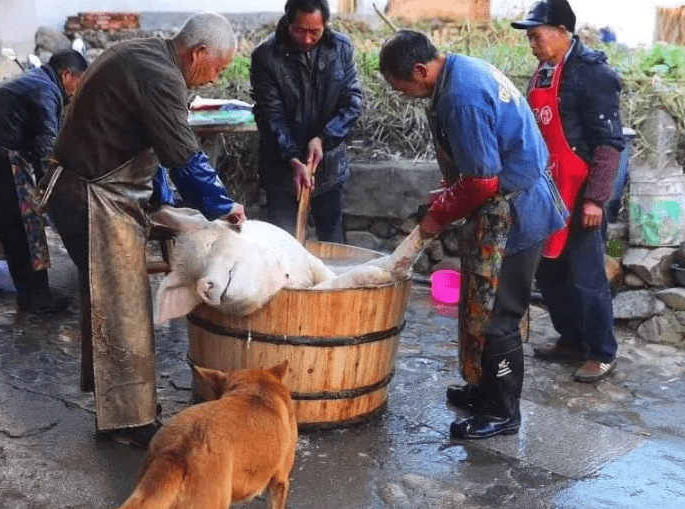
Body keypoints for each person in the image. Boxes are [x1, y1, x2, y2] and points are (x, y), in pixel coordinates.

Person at [44, 12, 247, 448]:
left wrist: (162, 204)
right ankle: (128, 421)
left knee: (112, 299)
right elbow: (182, 155)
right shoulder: (161, 75)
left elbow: (147, 140)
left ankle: (114, 402)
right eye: (218, 69)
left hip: (91, 187)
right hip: (92, 195)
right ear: (197, 54)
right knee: (122, 305)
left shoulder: (146, 56)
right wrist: (221, 204)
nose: (215, 79)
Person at [379, 30, 566, 439]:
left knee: (499, 316)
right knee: (477, 306)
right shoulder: (460, 69)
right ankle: (483, 390)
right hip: (506, 201)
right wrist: (448, 194)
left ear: (419, 69)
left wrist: (435, 220)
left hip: (516, 213)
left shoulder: (460, 97)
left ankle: (502, 412)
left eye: (402, 87)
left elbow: (481, 182)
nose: (403, 95)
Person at [512, 0, 624, 383]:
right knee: (550, 271)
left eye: (536, 35)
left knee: (587, 275)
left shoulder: (594, 74)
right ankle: (571, 339)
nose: (532, 44)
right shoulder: (543, 70)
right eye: (529, 38)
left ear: (562, 31)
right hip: (548, 189)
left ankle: (602, 352)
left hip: (580, 192)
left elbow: (609, 145)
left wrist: (596, 199)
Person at [0, 50, 88, 314]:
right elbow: (46, 151)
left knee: (13, 233)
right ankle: (39, 299)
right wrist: (62, 196)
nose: (79, 91)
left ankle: (30, 296)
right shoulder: (46, 92)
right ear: (66, 75)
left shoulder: (35, 80)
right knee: (25, 230)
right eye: (80, 82)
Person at [250, 0, 362, 243]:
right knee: (283, 244)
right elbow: (270, 115)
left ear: (325, 25)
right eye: (300, 30)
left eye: (315, 32)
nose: (308, 39)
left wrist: (323, 138)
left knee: (332, 244)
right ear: (288, 22)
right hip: (281, 168)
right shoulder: (266, 56)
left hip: (329, 164)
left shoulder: (340, 48)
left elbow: (352, 102)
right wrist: (291, 157)